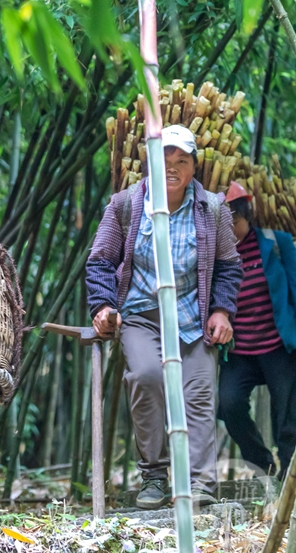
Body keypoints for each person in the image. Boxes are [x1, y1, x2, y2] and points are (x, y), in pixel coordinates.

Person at [86, 124, 243, 509]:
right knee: (146, 377)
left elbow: (229, 265)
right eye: (164, 159)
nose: (172, 167)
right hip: (141, 314)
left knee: (199, 393)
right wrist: (104, 306)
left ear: (194, 167)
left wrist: (222, 311)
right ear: (149, 163)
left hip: (193, 317)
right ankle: (154, 476)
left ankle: (199, 484)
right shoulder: (126, 203)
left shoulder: (211, 207)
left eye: (181, 160)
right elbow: (101, 260)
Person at [219, 181, 296, 479]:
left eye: (234, 222)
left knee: (287, 417)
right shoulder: (216, 254)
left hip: (278, 346)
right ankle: (261, 462)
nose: (230, 229)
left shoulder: (277, 242)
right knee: (229, 405)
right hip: (240, 351)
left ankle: (289, 476)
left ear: (246, 216)